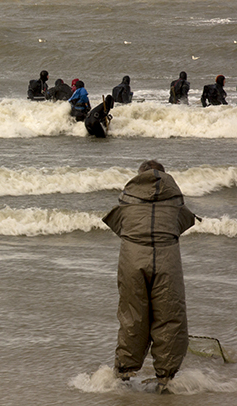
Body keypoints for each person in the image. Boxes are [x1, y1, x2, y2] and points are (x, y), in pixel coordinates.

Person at [103, 160, 198, 394]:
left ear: (139, 175)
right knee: (169, 315)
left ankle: (123, 374)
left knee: (132, 314)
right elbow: (185, 223)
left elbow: (115, 223)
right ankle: (166, 378)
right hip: (167, 261)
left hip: (132, 261)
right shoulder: (176, 201)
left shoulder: (127, 199)